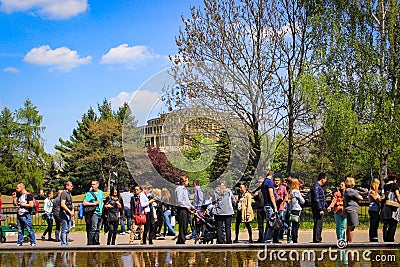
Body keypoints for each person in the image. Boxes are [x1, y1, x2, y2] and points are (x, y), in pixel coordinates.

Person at [83, 180, 105, 245]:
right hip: (94, 213)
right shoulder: (89, 194)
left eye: (94, 184)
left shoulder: (101, 192)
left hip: (100, 213)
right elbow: (84, 203)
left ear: (97, 185)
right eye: (92, 184)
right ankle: (90, 242)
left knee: (98, 229)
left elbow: (102, 201)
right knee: (93, 228)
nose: (92, 185)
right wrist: (94, 203)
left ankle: (96, 241)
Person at [214, 179, 235, 244]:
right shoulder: (229, 191)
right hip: (228, 211)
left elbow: (214, 200)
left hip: (219, 212)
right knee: (228, 227)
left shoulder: (216, 191)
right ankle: (228, 241)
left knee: (219, 228)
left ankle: (220, 241)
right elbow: (233, 199)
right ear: (226, 185)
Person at [175, 174, 194, 244]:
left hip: (185, 208)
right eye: (187, 180)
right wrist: (186, 206)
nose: (188, 182)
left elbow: (186, 200)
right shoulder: (179, 189)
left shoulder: (184, 189)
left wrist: (191, 205)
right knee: (182, 224)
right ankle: (181, 239)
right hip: (182, 209)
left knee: (185, 224)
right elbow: (180, 201)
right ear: (184, 181)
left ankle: (181, 238)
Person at [381, 172, 400, 242]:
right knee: (393, 223)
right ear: (395, 178)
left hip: (387, 205)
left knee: (387, 222)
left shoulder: (386, 186)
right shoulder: (395, 185)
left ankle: (386, 238)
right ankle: (390, 239)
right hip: (393, 206)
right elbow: (397, 195)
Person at [344, 177, 363, 243]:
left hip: (348, 209)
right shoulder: (351, 191)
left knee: (348, 226)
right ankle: (350, 242)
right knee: (352, 227)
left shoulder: (346, 190)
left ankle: (347, 240)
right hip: (352, 210)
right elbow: (361, 198)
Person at [261, 171, 278, 243]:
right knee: (272, 224)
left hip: (265, 204)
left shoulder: (264, 182)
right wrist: (275, 207)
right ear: (271, 174)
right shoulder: (269, 182)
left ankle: (264, 239)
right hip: (270, 205)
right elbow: (271, 195)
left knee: (268, 224)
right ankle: (267, 240)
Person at [311, 172, 328, 243]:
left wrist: (326, 206)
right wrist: (320, 209)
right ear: (322, 179)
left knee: (319, 224)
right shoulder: (316, 187)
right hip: (317, 209)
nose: (326, 181)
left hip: (320, 207)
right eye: (325, 179)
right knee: (318, 224)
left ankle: (318, 237)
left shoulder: (319, 187)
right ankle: (317, 239)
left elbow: (322, 198)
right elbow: (317, 199)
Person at [287, 178, 305, 243]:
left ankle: (290, 239)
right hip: (297, 210)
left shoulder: (290, 191)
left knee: (291, 225)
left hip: (292, 210)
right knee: (296, 226)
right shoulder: (296, 192)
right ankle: (295, 239)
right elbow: (303, 201)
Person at [60, 181, 74, 246]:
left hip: (69, 213)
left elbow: (71, 204)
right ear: (67, 186)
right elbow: (62, 204)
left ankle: (66, 243)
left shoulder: (69, 194)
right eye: (71, 186)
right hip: (65, 213)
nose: (72, 187)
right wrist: (69, 211)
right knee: (65, 229)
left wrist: (72, 211)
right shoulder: (64, 193)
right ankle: (63, 243)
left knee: (68, 229)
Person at [253, 176, 265, 243]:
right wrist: (255, 196)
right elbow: (256, 200)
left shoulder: (266, 189)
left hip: (266, 207)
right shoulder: (257, 190)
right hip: (259, 207)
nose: (260, 184)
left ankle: (267, 237)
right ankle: (261, 238)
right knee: (260, 224)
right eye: (259, 182)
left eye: (261, 182)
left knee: (270, 223)